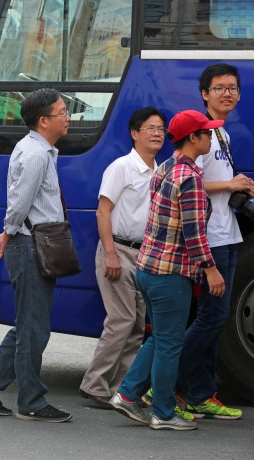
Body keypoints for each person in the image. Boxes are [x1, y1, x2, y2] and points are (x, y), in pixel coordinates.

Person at [110, 110, 226, 431]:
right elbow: (194, 233)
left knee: (160, 338)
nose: (211, 137)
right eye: (207, 132)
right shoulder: (189, 177)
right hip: (171, 273)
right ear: (194, 138)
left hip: (149, 267)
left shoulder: (164, 167)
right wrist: (211, 270)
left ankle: (128, 395)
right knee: (170, 344)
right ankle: (162, 412)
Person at [0, 88, 73, 423]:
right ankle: (29, 400)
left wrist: (9, 231)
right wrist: (9, 232)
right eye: (62, 112)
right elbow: (19, 203)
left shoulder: (39, 149)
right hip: (29, 246)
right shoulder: (37, 154)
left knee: (30, 324)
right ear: (44, 121)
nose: (68, 117)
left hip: (30, 244)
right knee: (33, 328)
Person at [174, 64, 251, 420]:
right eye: (219, 88)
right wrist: (231, 185)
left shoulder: (221, 135)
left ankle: (201, 395)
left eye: (233, 88)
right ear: (204, 93)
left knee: (213, 320)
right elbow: (187, 182)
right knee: (210, 319)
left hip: (228, 231)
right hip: (211, 238)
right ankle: (166, 386)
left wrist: (236, 184)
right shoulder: (198, 135)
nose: (228, 94)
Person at [79, 107, 166, 407]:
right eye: (150, 128)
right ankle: (94, 384)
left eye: (161, 129)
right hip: (117, 250)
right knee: (122, 319)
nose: (157, 134)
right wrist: (111, 254)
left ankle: (123, 388)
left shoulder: (159, 171)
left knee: (137, 324)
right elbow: (103, 211)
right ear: (134, 133)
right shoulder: (121, 167)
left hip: (143, 254)